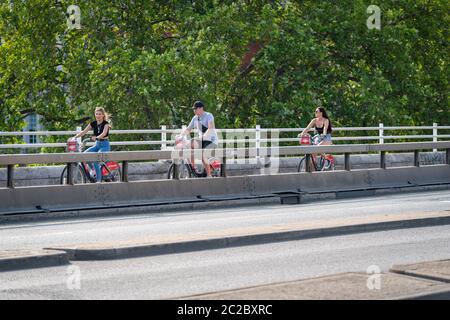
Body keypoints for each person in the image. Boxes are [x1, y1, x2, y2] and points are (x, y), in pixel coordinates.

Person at [69, 107, 111, 182]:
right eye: (96, 114)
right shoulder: (93, 123)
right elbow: (83, 132)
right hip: (97, 145)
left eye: (100, 114)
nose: (98, 115)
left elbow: (104, 133)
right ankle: (94, 170)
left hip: (104, 145)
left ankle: (98, 181)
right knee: (84, 156)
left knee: (95, 160)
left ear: (103, 115)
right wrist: (74, 137)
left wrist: (97, 137)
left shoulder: (106, 124)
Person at [181, 101, 218, 177]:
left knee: (202, 155)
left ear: (201, 108)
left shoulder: (209, 115)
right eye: (193, 109)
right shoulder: (195, 118)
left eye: (196, 109)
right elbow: (188, 129)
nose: (194, 110)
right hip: (202, 140)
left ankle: (209, 175)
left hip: (211, 140)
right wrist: (180, 136)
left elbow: (210, 128)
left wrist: (204, 136)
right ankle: (193, 168)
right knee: (189, 144)